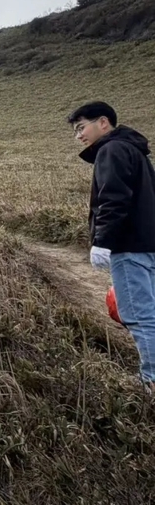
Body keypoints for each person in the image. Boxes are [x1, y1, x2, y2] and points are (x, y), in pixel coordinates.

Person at [68, 100, 155, 391]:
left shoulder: (111, 150)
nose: (78, 136)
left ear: (103, 123)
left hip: (129, 247)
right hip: (148, 243)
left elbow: (113, 198)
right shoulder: (134, 150)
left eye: (82, 128)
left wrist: (102, 241)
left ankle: (151, 381)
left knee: (140, 316)